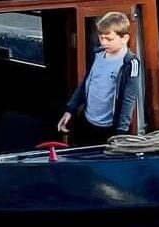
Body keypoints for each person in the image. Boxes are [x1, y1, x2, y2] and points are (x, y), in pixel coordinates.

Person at [57, 11, 142, 146]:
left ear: (125, 38)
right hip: (87, 121)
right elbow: (85, 85)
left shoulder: (131, 63)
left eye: (109, 39)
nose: (104, 42)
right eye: (101, 38)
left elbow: (129, 99)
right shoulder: (97, 55)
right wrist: (70, 110)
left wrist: (121, 133)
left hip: (109, 128)